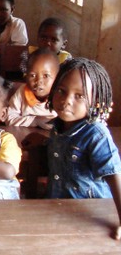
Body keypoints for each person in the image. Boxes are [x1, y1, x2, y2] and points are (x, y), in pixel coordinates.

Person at [42, 58, 121, 238]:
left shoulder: (96, 134)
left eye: (79, 96)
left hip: (89, 214)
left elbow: (114, 174)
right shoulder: (58, 127)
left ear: (95, 101)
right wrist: (43, 140)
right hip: (57, 208)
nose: (67, 100)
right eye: (61, 91)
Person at [5, 48, 59, 129]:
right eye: (32, 75)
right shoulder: (22, 93)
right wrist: (35, 121)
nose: (38, 81)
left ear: (57, 77)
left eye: (46, 76)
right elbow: (9, 118)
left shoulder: (59, 96)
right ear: (26, 76)